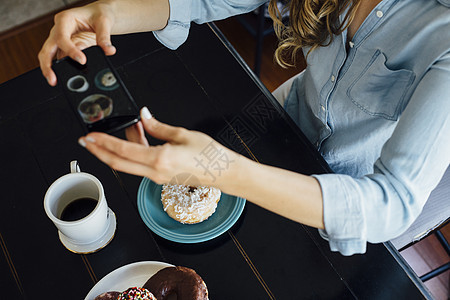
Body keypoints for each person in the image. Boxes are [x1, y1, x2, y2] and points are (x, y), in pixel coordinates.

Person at [38, 0, 450, 256]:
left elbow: (392, 203)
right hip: (277, 116)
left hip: (343, 189)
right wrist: (110, 11)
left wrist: (225, 169)